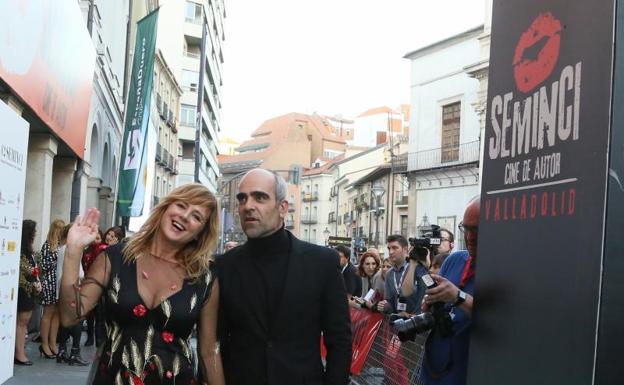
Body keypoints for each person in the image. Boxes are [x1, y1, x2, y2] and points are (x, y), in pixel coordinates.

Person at [58, 183, 225, 385]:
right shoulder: (116, 258)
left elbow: (208, 352)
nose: (184, 216)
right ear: (166, 207)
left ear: (201, 232)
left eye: (197, 216)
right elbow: (69, 317)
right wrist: (73, 251)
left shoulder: (204, 278)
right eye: (181, 205)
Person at [218, 168, 352, 385]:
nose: (248, 206)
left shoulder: (322, 262)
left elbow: (340, 340)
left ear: (282, 208)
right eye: (242, 199)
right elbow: (217, 343)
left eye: (260, 197)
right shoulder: (224, 266)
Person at [420, 196, 479, 385]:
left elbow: (498, 317)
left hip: (465, 372)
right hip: (435, 369)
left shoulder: (502, 268)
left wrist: (457, 296)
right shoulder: (454, 260)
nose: (469, 237)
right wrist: (430, 303)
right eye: (466, 228)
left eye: (476, 229)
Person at [56, 223, 89, 365]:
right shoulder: (72, 249)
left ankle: (62, 351)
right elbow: (79, 273)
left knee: (66, 321)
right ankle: (74, 352)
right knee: (78, 319)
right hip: (72, 289)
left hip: (64, 289)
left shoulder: (63, 248)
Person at [14, 220, 42, 365]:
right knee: (21, 323)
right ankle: (19, 354)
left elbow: (33, 270)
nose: (35, 234)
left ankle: (20, 351)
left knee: (23, 323)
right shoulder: (21, 250)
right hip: (23, 290)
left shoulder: (28, 250)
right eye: (34, 232)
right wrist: (33, 283)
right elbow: (23, 272)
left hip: (29, 290)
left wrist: (36, 282)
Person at [39, 218, 65, 358]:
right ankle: (44, 344)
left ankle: (53, 343)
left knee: (57, 314)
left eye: (62, 229)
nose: (60, 231)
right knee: (48, 313)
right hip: (50, 283)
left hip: (60, 283)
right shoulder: (48, 246)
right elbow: (44, 266)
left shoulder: (62, 246)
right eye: (59, 229)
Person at [377, 235, 417, 315]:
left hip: (418, 321)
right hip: (398, 323)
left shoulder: (415, 269)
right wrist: (384, 306)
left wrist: (411, 315)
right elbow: (390, 302)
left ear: (405, 249)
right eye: (389, 248)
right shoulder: (389, 274)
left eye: (395, 248)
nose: (391, 252)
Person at [82, 229, 108, 347]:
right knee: (89, 314)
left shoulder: (103, 250)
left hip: (101, 286)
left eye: (98, 238)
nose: (95, 240)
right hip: (88, 284)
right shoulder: (86, 251)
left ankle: (99, 338)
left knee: (100, 315)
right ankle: (90, 337)